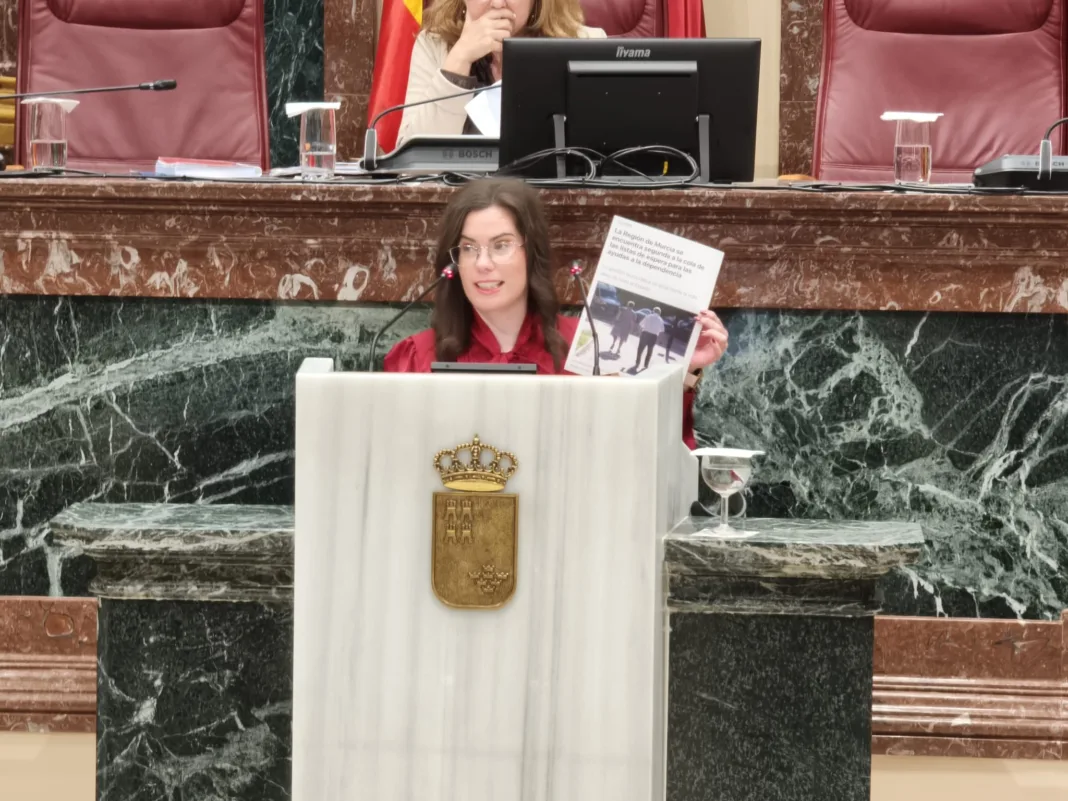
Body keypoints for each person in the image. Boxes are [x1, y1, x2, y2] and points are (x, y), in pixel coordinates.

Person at [383, 178, 729, 449]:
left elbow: (648, 452)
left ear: (531, 254)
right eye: (469, 248)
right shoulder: (416, 358)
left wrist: (687, 370)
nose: (483, 264)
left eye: (501, 245)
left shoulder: (587, 348)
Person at [398, 0, 606, 144]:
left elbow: (604, 158)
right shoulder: (435, 45)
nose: (497, 3)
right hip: (460, 200)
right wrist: (460, 58)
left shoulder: (587, 44)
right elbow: (412, 168)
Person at [634, 307, 665, 372]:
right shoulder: (661, 320)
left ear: (653, 311)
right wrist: (660, 339)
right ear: (659, 313)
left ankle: (637, 362)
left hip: (645, 334)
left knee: (640, 349)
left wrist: (640, 332)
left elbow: (640, 324)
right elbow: (662, 330)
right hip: (654, 336)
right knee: (649, 351)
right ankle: (646, 364)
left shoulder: (648, 316)